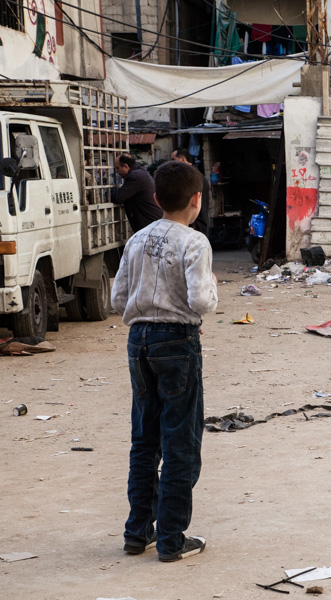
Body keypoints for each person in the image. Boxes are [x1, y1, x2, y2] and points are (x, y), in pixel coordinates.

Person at [111, 161, 218, 562]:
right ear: (196, 200)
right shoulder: (195, 242)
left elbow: (117, 300)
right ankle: (173, 538)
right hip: (177, 341)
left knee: (145, 438)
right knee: (181, 441)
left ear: (155, 198)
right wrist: (210, 294)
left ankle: (139, 531)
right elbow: (201, 301)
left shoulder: (137, 240)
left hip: (138, 341)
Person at [112, 153, 162, 232]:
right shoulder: (141, 173)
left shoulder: (135, 176)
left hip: (149, 225)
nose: (116, 172)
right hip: (153, 223)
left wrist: (108, 194)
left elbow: (118, 197)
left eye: (117, 168)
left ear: (126, 166)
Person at [171, 148, 210, 236]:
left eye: (174, 159)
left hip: (195, 227)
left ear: (183, 159)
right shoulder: (194, 175)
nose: (172, 163)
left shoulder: (192, 177)